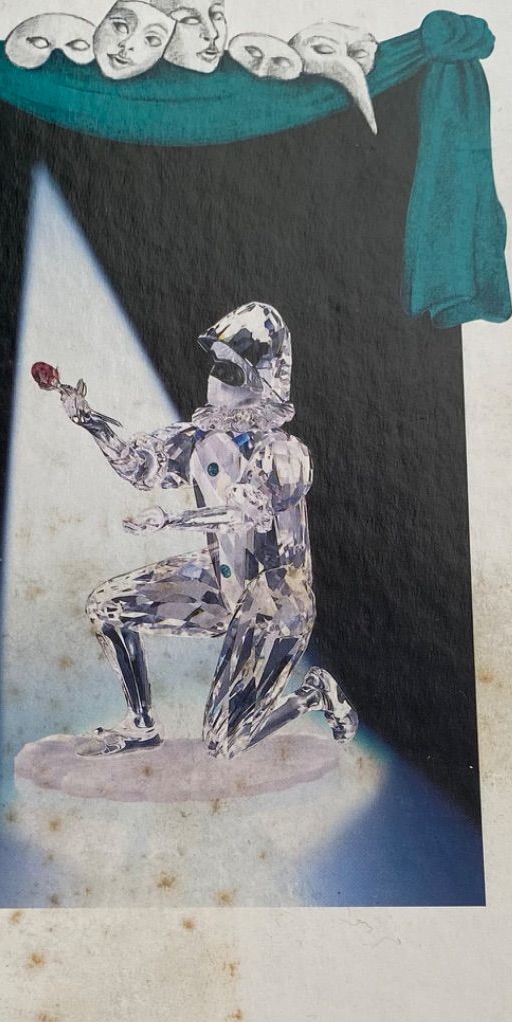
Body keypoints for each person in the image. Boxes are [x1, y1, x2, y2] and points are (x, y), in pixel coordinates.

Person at [48, 301, 358, 758]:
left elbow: (243, 512)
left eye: (229, 370)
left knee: (224, 742)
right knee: (106, 608)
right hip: (219, 581)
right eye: (215, 365)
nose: (215, 378)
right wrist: (91, 421)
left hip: (275, 602)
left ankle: (313, 693)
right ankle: (140, 725)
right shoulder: (198, 439)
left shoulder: (286, 453)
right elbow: (141, 466)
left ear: (261, 381)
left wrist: (171, 520)